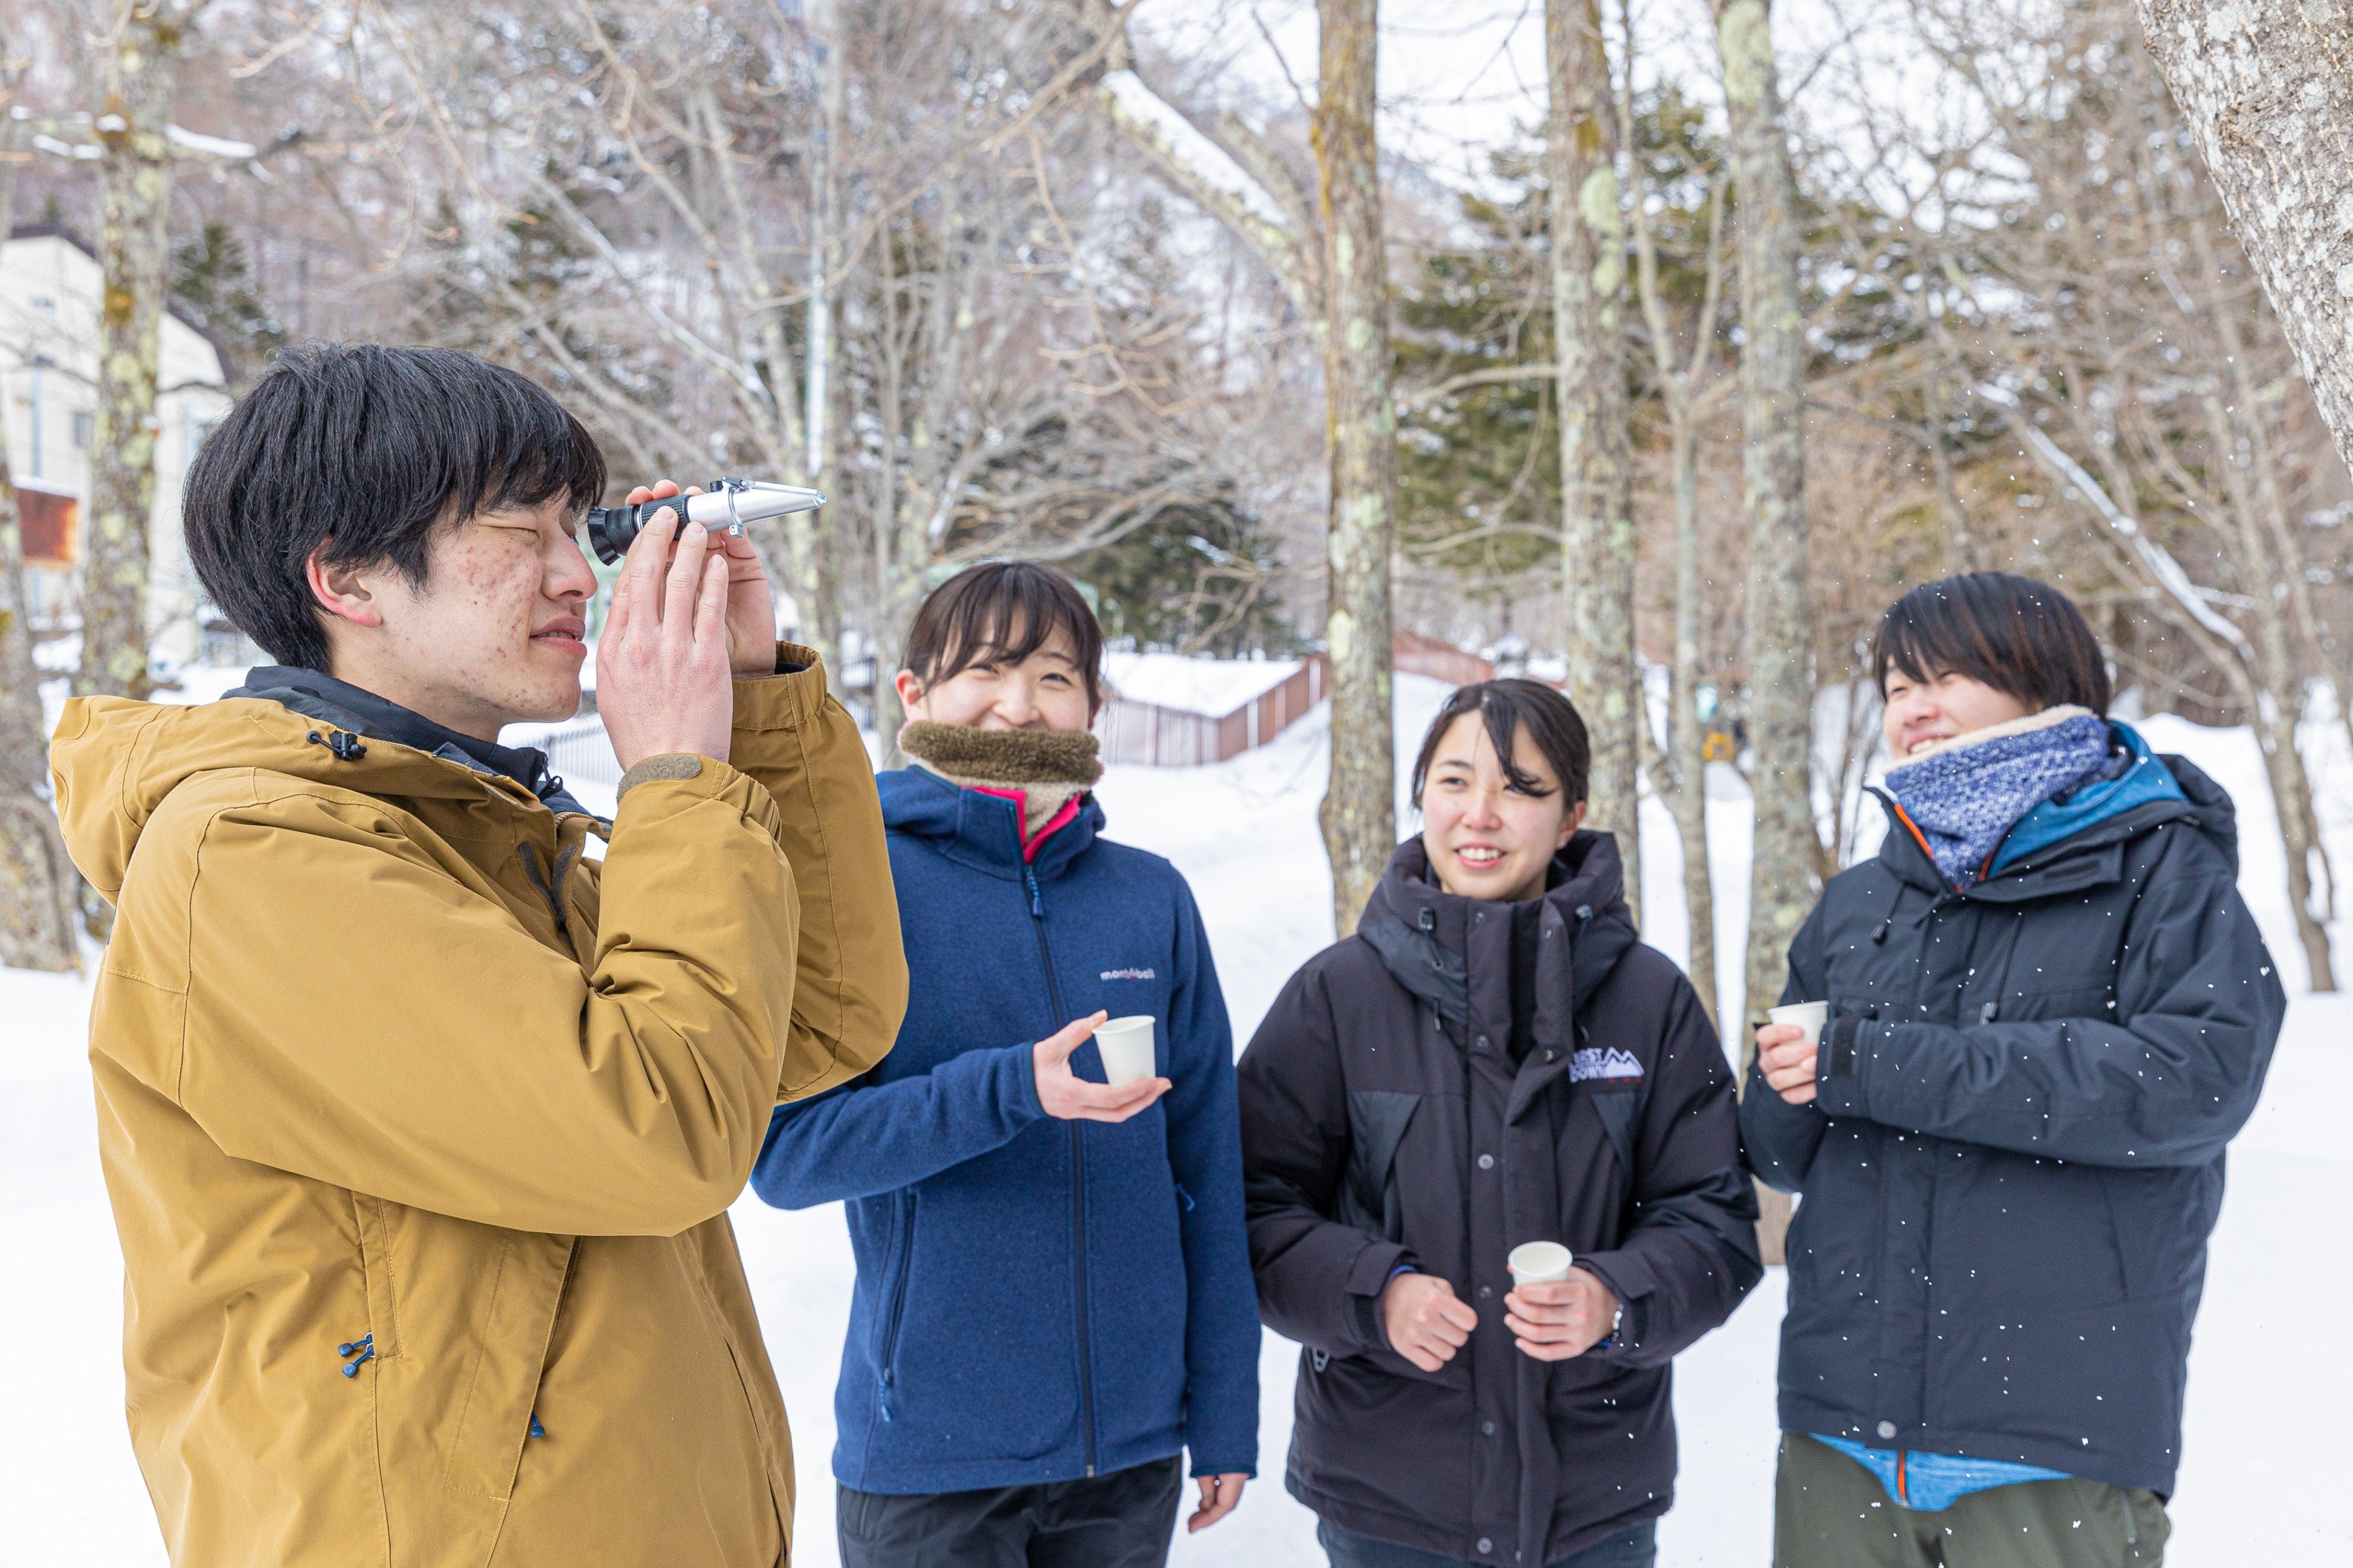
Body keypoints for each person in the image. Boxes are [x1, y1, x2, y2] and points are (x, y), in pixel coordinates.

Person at [49, 343, 907, 1567]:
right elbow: (659, 1129)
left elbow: (817, 1019)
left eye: (580, 526)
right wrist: (678, 777)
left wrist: (754, 697)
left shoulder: (478, 832)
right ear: (347, 577)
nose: (580, 575)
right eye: (522, 529)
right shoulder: (252, 854)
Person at [1743, 571, 2287, 1568]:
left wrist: (1879, 1062)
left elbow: (2197, 1080)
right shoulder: (1860, 901)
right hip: (1841, 1434)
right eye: (1897, 684)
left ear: (2043, 681)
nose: (1914, 705)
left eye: (1945, 675)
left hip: (2050, 1438)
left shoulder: (2161, 870)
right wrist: (1781, 1077)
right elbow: (1781, 1159)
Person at [750, 562, 1259, 1567]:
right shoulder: (860, 884)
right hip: (933, 1457)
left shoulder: (1148, 898)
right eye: (987, 669)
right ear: (914, 694)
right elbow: (790, 1158)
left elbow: (1209, 1170)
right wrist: (1012, 1089)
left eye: (1055, 678)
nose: (1019, 705)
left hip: (1129, 1455)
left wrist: (1225, 1409)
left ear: (1094, 706)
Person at [1238, 680, 1760, 1568]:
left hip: (1595, 1496)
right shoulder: (1338, 996)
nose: (1481, 814)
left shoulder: (1648, 998)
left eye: (1521, 788)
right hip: (1390, 1494)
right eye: (1453, 782)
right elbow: (1249, 1209)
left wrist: (1615, 1296)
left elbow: (1713, 1219)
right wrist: (1374, 1292)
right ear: (1420, 798)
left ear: (1572, 818)